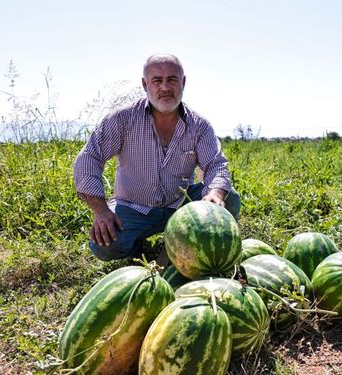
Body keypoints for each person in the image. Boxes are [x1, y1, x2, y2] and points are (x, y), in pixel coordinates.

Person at [73, 54, 240, 264]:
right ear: (145, 84)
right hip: (134, 208)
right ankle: (138, 247)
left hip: (180, 205)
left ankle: (201, 253)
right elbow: (90, 158)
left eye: (171, 79)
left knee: (229, 197)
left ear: (183, 83)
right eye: (156, 81)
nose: (165, 87)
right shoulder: (123, 120)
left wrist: (215, 193)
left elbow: (215, 165)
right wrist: (101, 210)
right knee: (104, 245)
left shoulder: (199, 126)